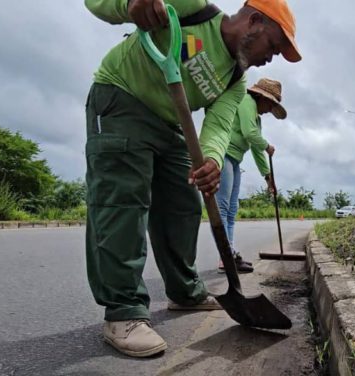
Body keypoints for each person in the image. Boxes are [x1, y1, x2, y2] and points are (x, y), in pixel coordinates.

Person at [84, 0, 301, 358]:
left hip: (169, 123)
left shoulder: (235, 79)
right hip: (122, 97)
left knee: (183, 207)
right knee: (124, 201)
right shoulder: (191, 9)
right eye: (273, 46)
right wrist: (129, 6)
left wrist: (213, 160)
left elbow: (217, 126)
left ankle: (184, 292)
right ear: (255, 20)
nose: (271, 58)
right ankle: (123, 313)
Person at [216, 78, 287, 274]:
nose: (269, 110)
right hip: (223, 153)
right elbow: (249, 134)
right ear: (261, 97)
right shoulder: (247, 100)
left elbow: (256, 149)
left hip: (235, 159)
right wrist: (267, 145)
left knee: (232, 209)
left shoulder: (258, 118)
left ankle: (229, 254)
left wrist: (267, 176)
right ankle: (226, 255)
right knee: (222, 207)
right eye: (270, 104)